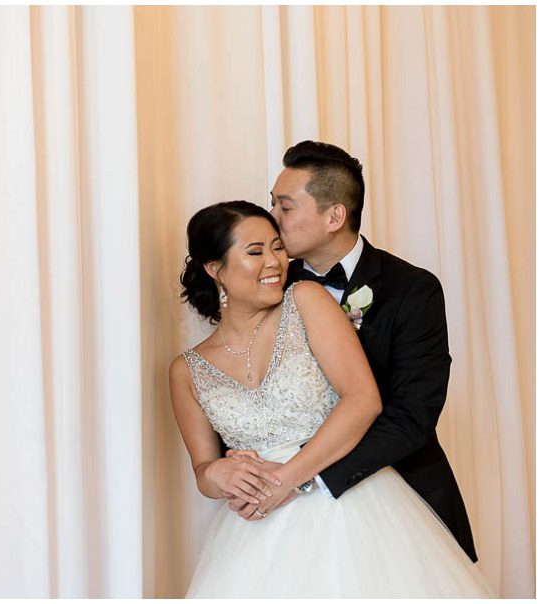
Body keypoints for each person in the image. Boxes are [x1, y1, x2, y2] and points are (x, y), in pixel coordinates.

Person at [169, 200, 492, 597]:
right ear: (214, 267)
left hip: (353, 506)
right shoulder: (186, 370)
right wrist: (216, 476)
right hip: (254, 535)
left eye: (276, 246)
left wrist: (285, 480)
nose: (274, 262)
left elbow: (362, 400)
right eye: (255, 252)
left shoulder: (306, 300)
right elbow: (203, 469)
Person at [226, 141, 477, 562]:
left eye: (285, 208)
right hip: (282, 509)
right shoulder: (271, 287)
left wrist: (307, 478)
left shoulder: (412, 290)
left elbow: (412, 416)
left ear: (334, 216)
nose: (272, 220)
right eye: (272, 204)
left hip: (397, 492)